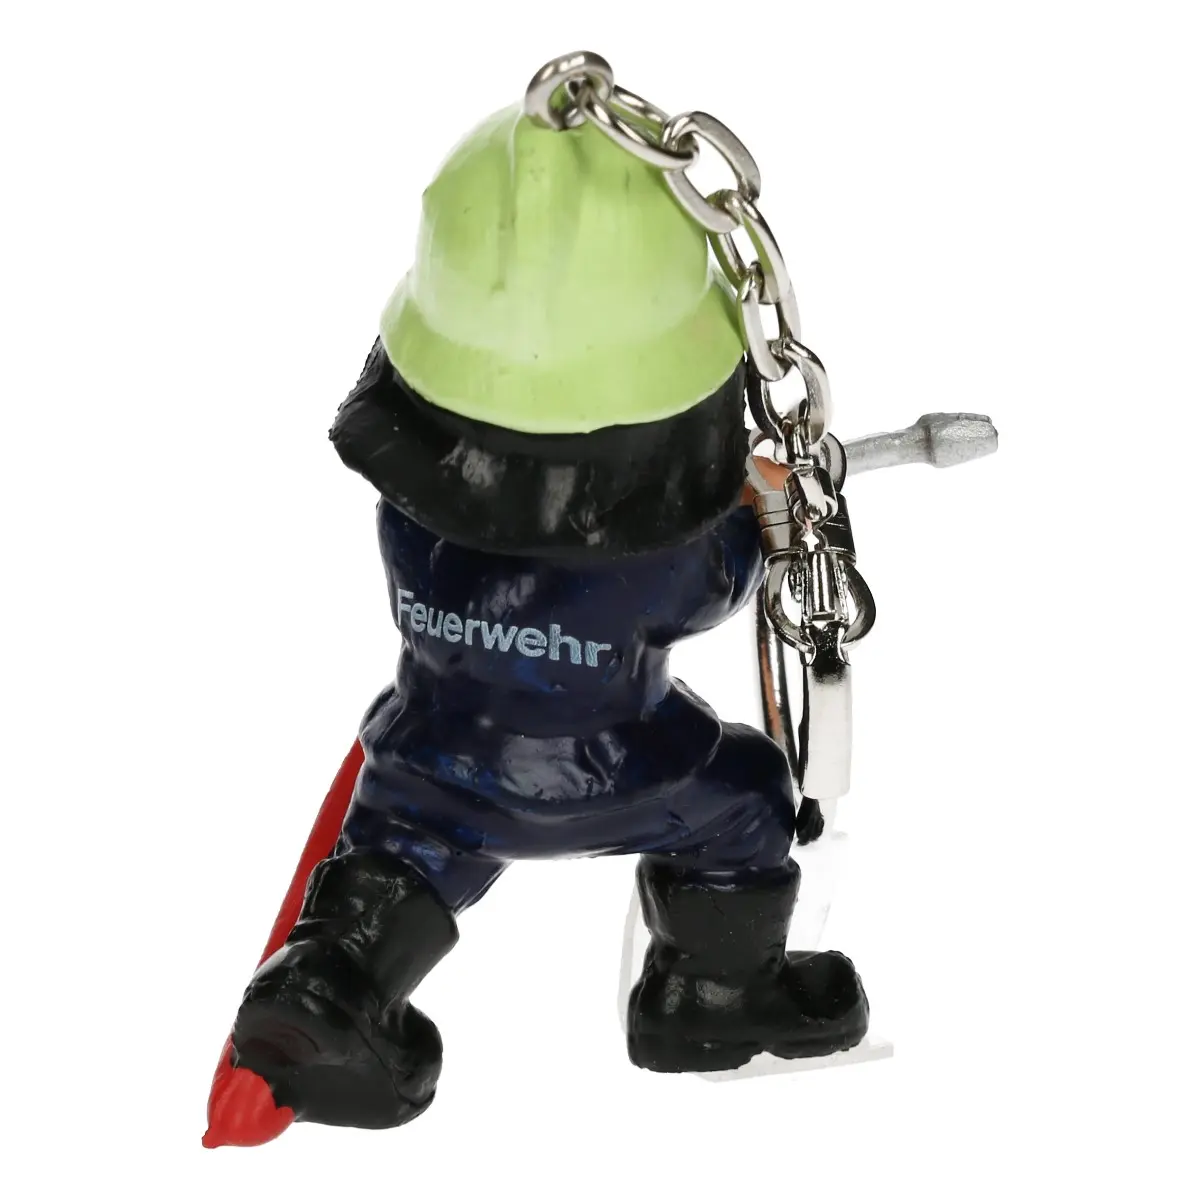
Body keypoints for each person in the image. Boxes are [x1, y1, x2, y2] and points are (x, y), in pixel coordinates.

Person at [209, 103, 867, 1144]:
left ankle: (334, 978)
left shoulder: (407, 513)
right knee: (746, 798)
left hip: (427, 763)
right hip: (615, 773)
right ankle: (711, 995)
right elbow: (725, 581)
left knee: (390, 857)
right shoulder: (663, 559)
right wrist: (760, 513)